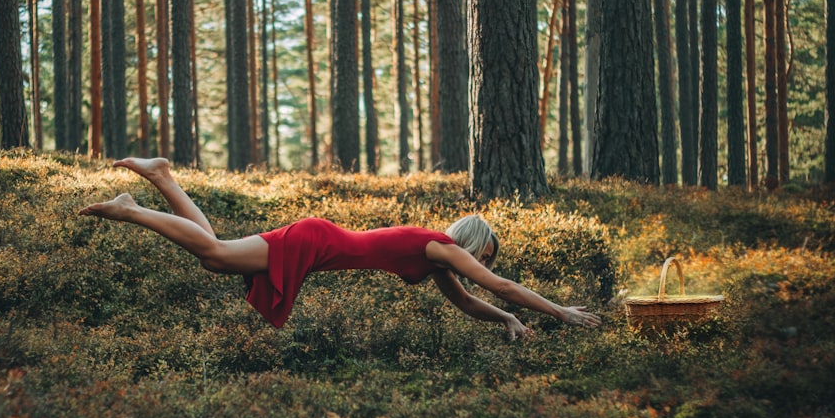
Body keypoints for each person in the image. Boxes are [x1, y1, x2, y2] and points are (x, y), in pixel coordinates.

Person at [79, 158, 602, 338]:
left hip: (320, 240)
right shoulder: (444, 249)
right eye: (485, 256)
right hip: (317, 240)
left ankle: (163, 179)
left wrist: (509, 321)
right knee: (215, 255)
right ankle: (131, 206)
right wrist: (558, 311)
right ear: (477, 246)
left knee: (214, 254)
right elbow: (502, 286)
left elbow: (468, 302)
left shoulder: (436, 257)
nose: (484, 266)